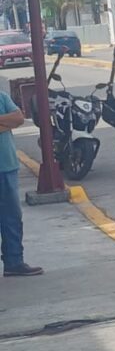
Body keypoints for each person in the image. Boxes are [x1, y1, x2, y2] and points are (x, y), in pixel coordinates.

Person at [0, 90, 42, 277]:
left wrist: (10, 121)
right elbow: (12, 120)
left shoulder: (1, 96)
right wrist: (4, 122)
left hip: (7, 166)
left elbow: (18, 118)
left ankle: (14, 262)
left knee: (12, 218)